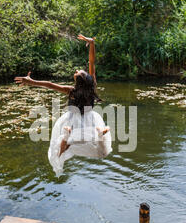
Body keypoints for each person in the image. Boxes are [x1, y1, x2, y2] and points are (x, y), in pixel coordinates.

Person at [14, 34, 112, 176]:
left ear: (77, 81)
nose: (77, 70)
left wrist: (32, 82)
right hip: (90, 118)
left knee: (65, 141)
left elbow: (50, 85)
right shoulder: (92, 86)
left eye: (78, 72)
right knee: (99, 148)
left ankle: (64, 145)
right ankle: (99, 133)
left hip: (72, 119)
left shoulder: (71, 90)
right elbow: (92, 63)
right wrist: (91, 44)